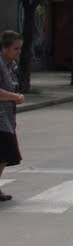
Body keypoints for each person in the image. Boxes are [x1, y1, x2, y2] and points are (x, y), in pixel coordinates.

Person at [0, 30, 24, 201]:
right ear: (4, 48)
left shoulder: (11, 66)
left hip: (7, 118)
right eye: (15, 48)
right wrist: (14, 97)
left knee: (5, 156)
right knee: (4, 153)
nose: (18, 52)